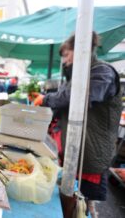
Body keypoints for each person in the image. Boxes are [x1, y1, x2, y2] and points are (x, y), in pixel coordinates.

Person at [33, 32, 122, 217]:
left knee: (85, 203)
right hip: (75, 149)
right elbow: (62, 105)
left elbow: (79, 97)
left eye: (67, 55)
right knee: (72, 198)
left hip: (91, 152)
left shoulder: (101, 72)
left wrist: (46, 98)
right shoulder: (78, 75)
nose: (65, 61)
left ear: (81, 49)